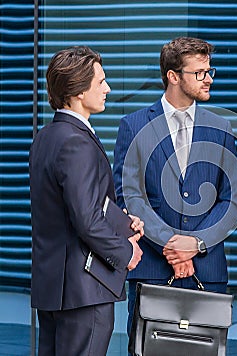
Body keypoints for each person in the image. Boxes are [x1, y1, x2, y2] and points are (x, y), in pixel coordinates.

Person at [113, 36, 237, 345]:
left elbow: (232, 201)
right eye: (200, 72)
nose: (208, 79)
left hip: (206, 271)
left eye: (210, 71)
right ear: (173, 76)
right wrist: (170, 245)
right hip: (153, 269)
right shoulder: (133, 126)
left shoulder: (221, 128)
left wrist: (195, 244)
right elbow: (130, 196)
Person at [29, 46, 144, 356]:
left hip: (54, 289)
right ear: (79, 91)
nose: (107, 89)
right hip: (84, 291)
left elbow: (67, 209)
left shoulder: (45, 137)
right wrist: (125, 250)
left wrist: (121, 222)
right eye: (101, 82)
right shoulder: (76, 142)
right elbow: (87, 220)